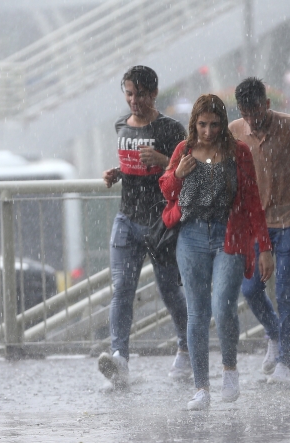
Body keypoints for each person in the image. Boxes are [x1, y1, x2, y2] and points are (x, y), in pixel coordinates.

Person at [160, 94, 274, 410]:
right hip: (191, 235)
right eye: (201, 125)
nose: (207, 132)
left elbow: (252, 200)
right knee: (197, 313)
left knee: (223, 305)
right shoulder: (183, 151)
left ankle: (229, 368)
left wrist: (264, 247)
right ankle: (201, 388)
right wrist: (177, 173)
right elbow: (167, 191)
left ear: (222, 124)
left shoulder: (238, 153)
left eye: (213, 125)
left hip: (229, 234)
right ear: (193, 124)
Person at [98, 66, 191, 389]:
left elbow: (188, 169)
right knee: (122, 288)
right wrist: (117, 173)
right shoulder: (121, 125)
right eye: (129, 93)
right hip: (127, 217)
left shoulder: (170, 129)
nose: (134, 100)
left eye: (139, 94)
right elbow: (133, 166)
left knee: (169, 289)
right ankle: (119, 357)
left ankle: (187, 345)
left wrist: (164, 160)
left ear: (153, 94)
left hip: (160, 221)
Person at [229, 77, 290, 383]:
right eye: (245, 112)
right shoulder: (235, 131)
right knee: (250, 288)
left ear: (267, 104)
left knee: (286, 293)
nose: (251, 119)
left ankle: (286, 362)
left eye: (255, 110)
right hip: (255, 224)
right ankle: (274, 334)